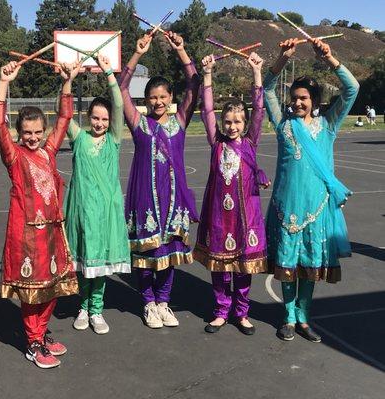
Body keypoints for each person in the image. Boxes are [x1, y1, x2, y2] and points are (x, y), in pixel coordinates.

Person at [264, 38, 359, 343]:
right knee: (288, 267)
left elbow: (352, 89)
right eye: (294, 97)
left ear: (315, 100)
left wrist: (330, 58)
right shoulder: (283, 124)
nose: (297, 102)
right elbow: (267, 90)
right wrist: (282, 57)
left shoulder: (328, 126)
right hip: (286, 207)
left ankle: (304, 318)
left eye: (303, 98)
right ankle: (289, 318)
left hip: (317, 209)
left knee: (310, 267)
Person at [0, 60, 80, 369]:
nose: (33, 137)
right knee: (32, 294)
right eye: (27, 132)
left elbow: (65, 117)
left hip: (53, 233)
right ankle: (32, 342)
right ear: (19, 133)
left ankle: (41, 334)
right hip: (26, 235)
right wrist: (4, 83)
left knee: (52, 287)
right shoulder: (14, 157)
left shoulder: (48, 151)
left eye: (38, 132)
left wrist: (67, 81)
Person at [119, 33, 200, 329]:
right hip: (144, 200)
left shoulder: (179, 123)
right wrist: (137, 53)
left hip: (173, 200)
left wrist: (181, 51)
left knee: (168, 254)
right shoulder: (139, 124)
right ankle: (149, 304)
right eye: (152, 97)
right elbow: (121, 87)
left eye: (163, 97)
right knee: (145, 254)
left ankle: (164, 302)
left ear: (171, 99)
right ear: (146, 100)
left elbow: (195, 85)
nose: (158, 101)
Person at [193, 52, 269, 336]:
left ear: (245, 123)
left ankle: (242, 311)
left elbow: (259, 110)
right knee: (220, 268)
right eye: (228, 122)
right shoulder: (217, 142)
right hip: (219, 217)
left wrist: (257, 73)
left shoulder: (250, 142)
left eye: (238, 122)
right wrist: (208, 74)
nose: (232, 126)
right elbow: (207, 110)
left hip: (245, 217)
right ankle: (221, 310)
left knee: (243, 268)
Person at [66, 54, 131, 335]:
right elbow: (64, 114)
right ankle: (82, 307)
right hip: (82, 212)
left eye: (104, 119)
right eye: (95, 117)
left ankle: (97, 309)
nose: (100, 122)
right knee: (83, 263)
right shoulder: (78, 138)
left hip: (105, 213)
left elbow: (118, 103)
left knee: (101, 265)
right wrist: (68, 80)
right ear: (88, 118)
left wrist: (108, 73)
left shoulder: (114, 140)